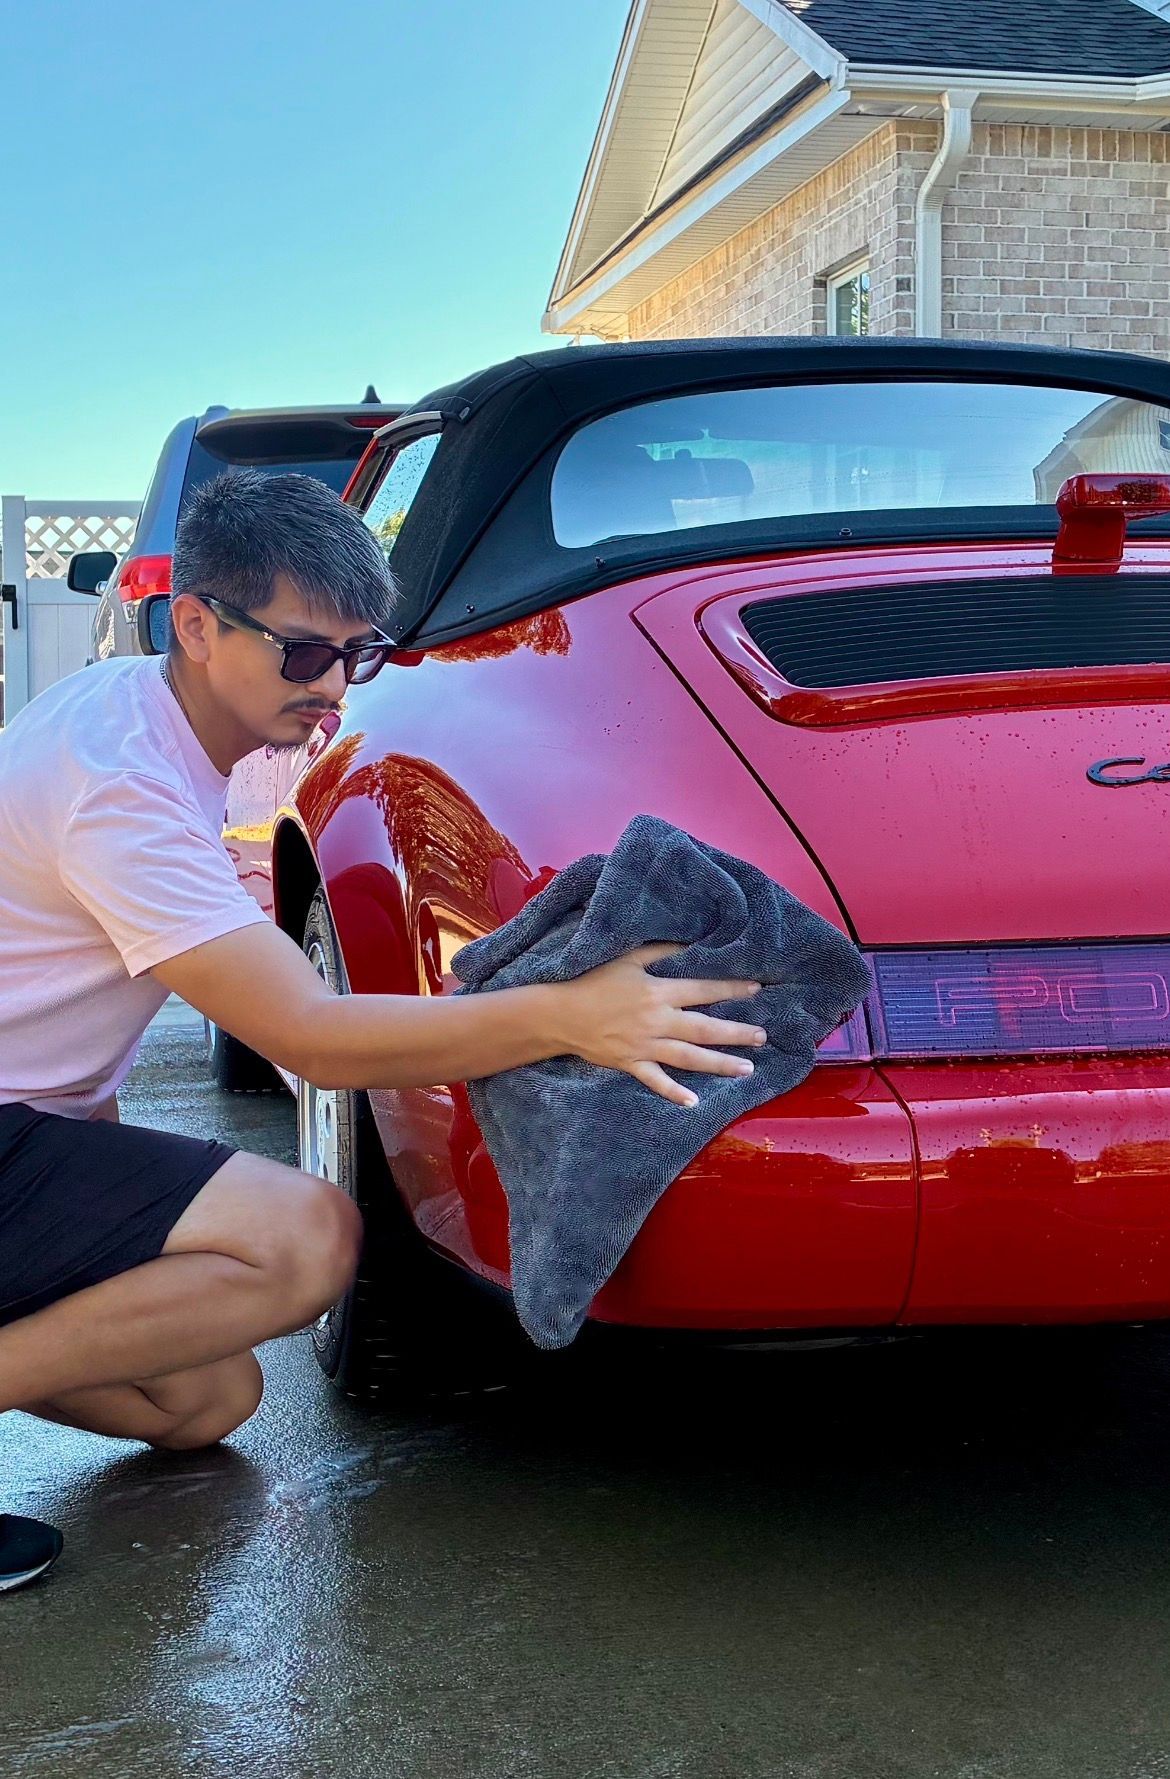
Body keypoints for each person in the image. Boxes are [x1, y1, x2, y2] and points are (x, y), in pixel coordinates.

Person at [0, 470, 765, 1579]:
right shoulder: (121, 785)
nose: (331, 688)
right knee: (304, 1240)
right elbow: (310, 1033)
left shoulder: (132, 708)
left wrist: (97, 1185)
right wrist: (573, 1015)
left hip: (27, 1126)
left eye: (354, 656)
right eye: (303, 652)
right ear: (199, 626)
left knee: (205, 1398)